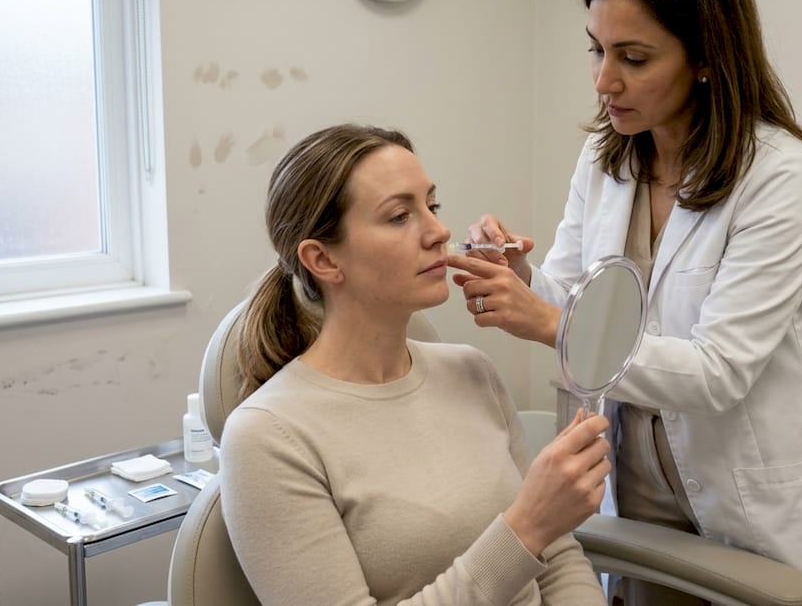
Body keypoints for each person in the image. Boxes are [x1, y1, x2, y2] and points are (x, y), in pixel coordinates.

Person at [445, 0, 802, 606]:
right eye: (596, 50)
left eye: (633, 57)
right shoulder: (607, 158)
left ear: (705, 56)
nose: (604, 80)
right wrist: (521, 279)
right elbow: (578, 295)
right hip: (639, 493)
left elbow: (719, 371)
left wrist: (551, 323)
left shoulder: (777, 174)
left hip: (754, 506)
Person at [220, 124, 612, 606]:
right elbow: (535, 536)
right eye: (399, 216)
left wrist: (538, 530)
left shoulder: (472, 372)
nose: (439, 232)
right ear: (323, 260)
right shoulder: (266, 437)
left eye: (433, 205)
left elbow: (558, 560)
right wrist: (526, 527)